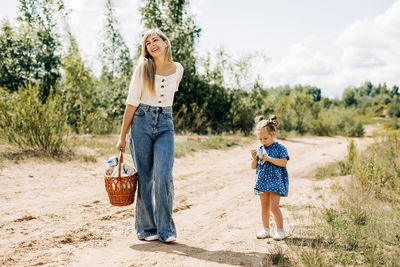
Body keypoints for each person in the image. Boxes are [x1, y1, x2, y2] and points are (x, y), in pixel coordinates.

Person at [116, 28, 184, 243]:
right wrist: (122, 135)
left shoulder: (178, 69)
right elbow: (132, 102)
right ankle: (147, 229)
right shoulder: (142, 68)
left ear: (165, 42)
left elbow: (170, 97)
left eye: (155, 40)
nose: (152, 44)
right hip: (141, 121)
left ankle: (166, 230)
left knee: (163, 177)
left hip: (165, 122)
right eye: (147, 43)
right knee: (145, 178)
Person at [250, 115, 289, 241]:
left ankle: (280, 230)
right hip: (262, 181)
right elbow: (253, 167)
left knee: (274, 206)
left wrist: (268, 159)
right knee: (264, 207)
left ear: (273, 134)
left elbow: (283, 163)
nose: (263, 141)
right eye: (260, 139)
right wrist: (254, 157)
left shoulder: (280, 148)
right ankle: (265, 229)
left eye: (266, 138)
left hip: (275, 181)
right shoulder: (260, 149)